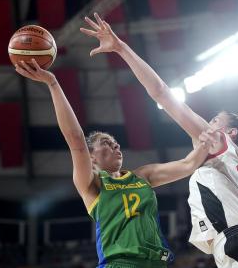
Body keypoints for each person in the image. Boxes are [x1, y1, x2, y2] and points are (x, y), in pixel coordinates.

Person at [81, 13, 238, 268]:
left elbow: (161, 92)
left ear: (229, 133)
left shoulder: (218, 141)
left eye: (213, 120)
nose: (206, 124)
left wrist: (121, 47)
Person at [14, 59, 213, 268]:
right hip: (120, 263)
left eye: (117, 144)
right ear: (92, 156)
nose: (116, 147)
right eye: (107, 143)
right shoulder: (92, 184)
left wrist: (206, 141)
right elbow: (76, 139)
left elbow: (188, 164)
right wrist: (53, 83)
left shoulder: (143, 175)